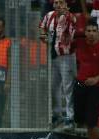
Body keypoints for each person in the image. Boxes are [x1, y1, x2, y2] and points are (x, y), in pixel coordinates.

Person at [39, 0, 77, 129]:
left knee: (68, 88)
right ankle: (57, 115)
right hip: (53, 57)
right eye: (56, 2)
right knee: (53, 87)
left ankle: (70, 118)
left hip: (67, 57)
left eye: (61, 2)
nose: (58, 5)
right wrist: (43, 35)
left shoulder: (71, 18)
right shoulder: (49, 16)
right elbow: (41, 27)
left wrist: (65, 17)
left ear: (66, 6)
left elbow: (69, 37)